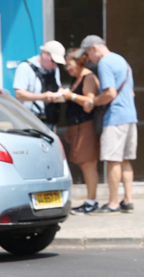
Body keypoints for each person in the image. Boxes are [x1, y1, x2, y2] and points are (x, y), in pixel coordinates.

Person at [76, 35, 137, 215]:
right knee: (125, 160)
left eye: (87, 53)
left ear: (94, 48)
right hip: (130, 116)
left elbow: (110, 93)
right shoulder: (122, 61)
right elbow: (131, 93)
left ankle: (112, 203)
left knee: (113, 160)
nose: (88, 59)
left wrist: (94, 101)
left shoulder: (104, 63)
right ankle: (128, 200)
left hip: (116, 117)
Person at [60, 48, 101, 214]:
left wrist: (72, 97)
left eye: (69, 64)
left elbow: (90, 102)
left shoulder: (88, 77)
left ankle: (92, 201)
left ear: (79, 62)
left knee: (88, 164)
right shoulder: (76, 79)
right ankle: (90, 200)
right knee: (83, 164)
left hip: (86, 126)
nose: (67, 69)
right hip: (76, 127)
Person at [13, 40, 66, 130]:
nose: (55, 64)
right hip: (30, 122)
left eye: (57, 62)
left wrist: (61, 93)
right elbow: (19, 94)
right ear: (44, 53)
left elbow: (58, 87)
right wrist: (42, 97)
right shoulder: (25, 67)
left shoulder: (54, 69)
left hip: (50, 121)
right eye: (53, 60)